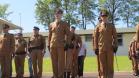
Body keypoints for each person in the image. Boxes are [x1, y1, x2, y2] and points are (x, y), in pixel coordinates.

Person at [93, 10, 118, 78]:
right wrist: (95, 48)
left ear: (107, 16)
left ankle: (110, 76)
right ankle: (103, 76)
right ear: (101, 17)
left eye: (105, 16)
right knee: (102, 65)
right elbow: (95, 38)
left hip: (110, 48)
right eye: (102, 16)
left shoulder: (112, 26)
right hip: (101, 48)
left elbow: (115, 36)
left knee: (110, 65)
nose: (104, 17)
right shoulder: (98, 27)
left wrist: (115, 45)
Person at [48, 8, 71, 78]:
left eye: (59, 13)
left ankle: (60, 76)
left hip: (61, 46)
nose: (57, 15)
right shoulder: (51, 24)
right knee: (54, 63)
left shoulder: (65, 24)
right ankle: (55, 76)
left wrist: (67, 44)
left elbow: (69, 34)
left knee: (61, 63)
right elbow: (50, 35)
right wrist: (48, 44)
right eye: (56, 13)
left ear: (61, 15)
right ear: (54, 15)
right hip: (53, 46)